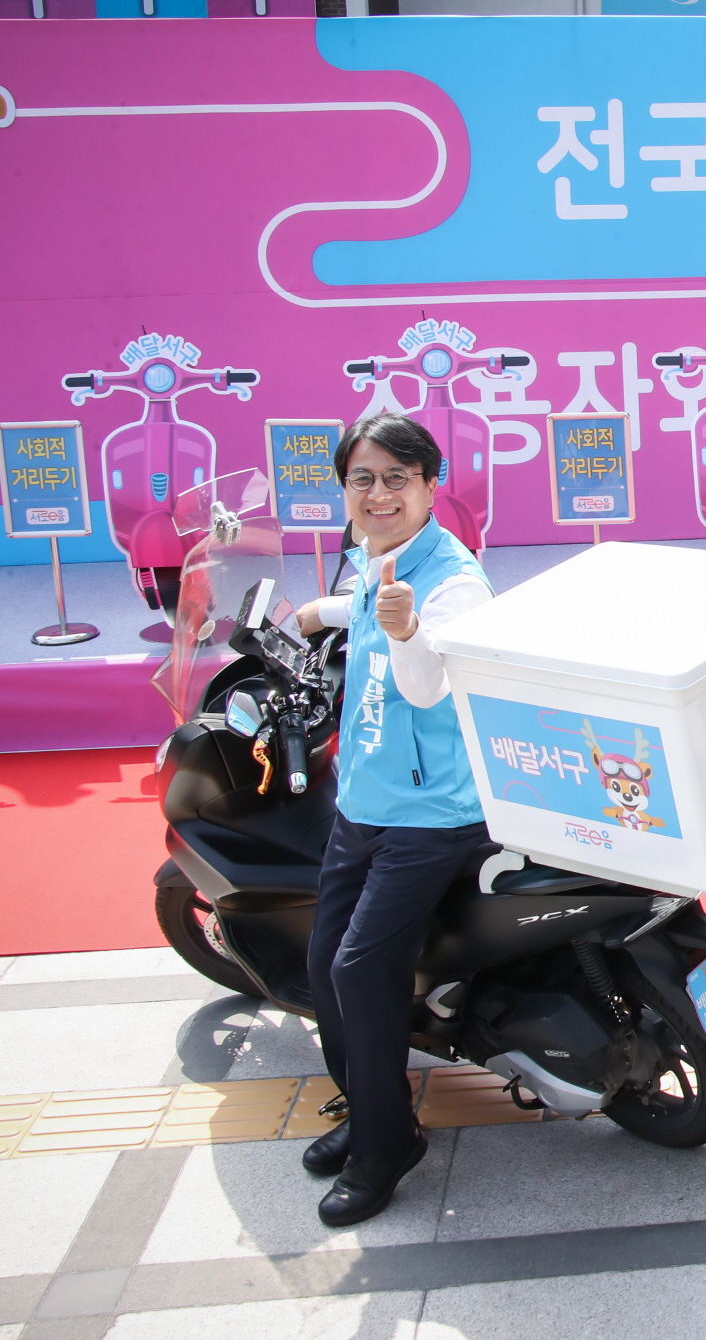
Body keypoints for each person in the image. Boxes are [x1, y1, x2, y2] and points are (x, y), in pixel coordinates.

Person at [291, 413, 495, 1225]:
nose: (378, 494)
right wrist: (317, 613)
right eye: (362, 479)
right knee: (322, 963)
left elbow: (426, 685)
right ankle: (369, 1103)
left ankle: (386, 1144)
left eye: (397, 479)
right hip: (363, 799)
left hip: (433, 814)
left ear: (430, 486)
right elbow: (366, 606)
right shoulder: (376, 558)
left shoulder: (454, 580)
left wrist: (405, 629)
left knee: (360, 970)